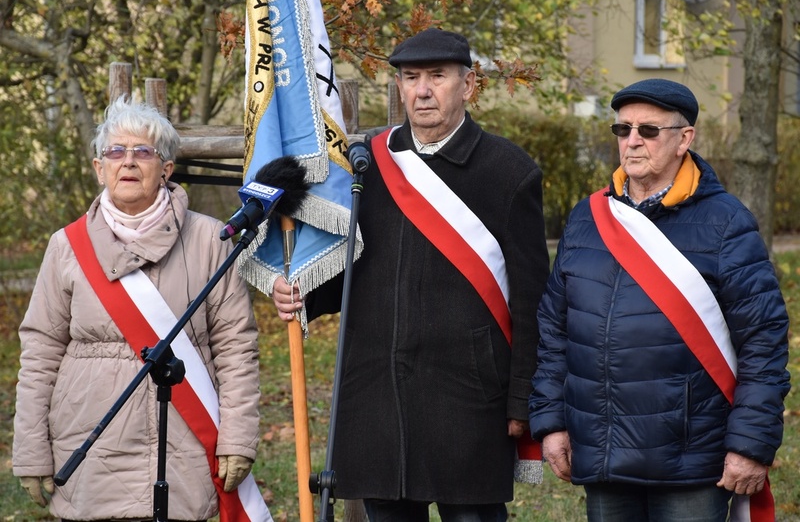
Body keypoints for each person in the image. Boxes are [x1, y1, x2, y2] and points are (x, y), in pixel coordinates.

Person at [272, 28, 550, 521]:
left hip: (468, 400)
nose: (422, 90)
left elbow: (532, 301)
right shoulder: (366, 166)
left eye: (437, 76)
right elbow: (346, 268)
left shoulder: (510, 172)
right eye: (410, 77)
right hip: (379, 397)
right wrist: (301, 292)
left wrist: (522, 399)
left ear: (468, 85)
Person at [528, 78, 791, 521]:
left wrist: (750, 444)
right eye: (623, 129)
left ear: (684, 139)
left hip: (689, 459)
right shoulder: (588, 218)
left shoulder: (726, 223)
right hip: (604, 453)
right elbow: (555, 332)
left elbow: (763, 342)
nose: (632, 141)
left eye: (648, 130)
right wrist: (552, 422)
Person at [13, 96, 266, 521]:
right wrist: (31, 449)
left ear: (166, 168)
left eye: (143, 152)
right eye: (116, 151)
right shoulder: (65, 247)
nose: (127, 161)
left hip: (182, 445)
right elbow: (40, 353)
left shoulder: (211, 240)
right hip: (90, 443)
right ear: (100, 168)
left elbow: (236, 347)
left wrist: (238, 439)